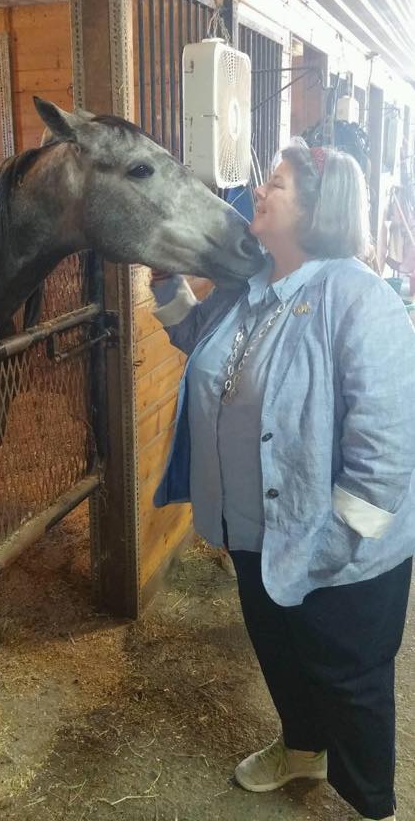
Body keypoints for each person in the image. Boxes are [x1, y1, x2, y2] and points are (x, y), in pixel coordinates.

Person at [150, 140, 415, 821]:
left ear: (315, 209)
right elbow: (195, 337)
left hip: (342, 551)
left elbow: (385, 454)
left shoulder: (361, 301)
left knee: (348, 678)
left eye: (277, 184)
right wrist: (162, 281)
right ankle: (301, 749)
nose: (259, 192)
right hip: (258, 531)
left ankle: (369, 804)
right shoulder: (249, 286)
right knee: (281, 653)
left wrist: (333, 546)